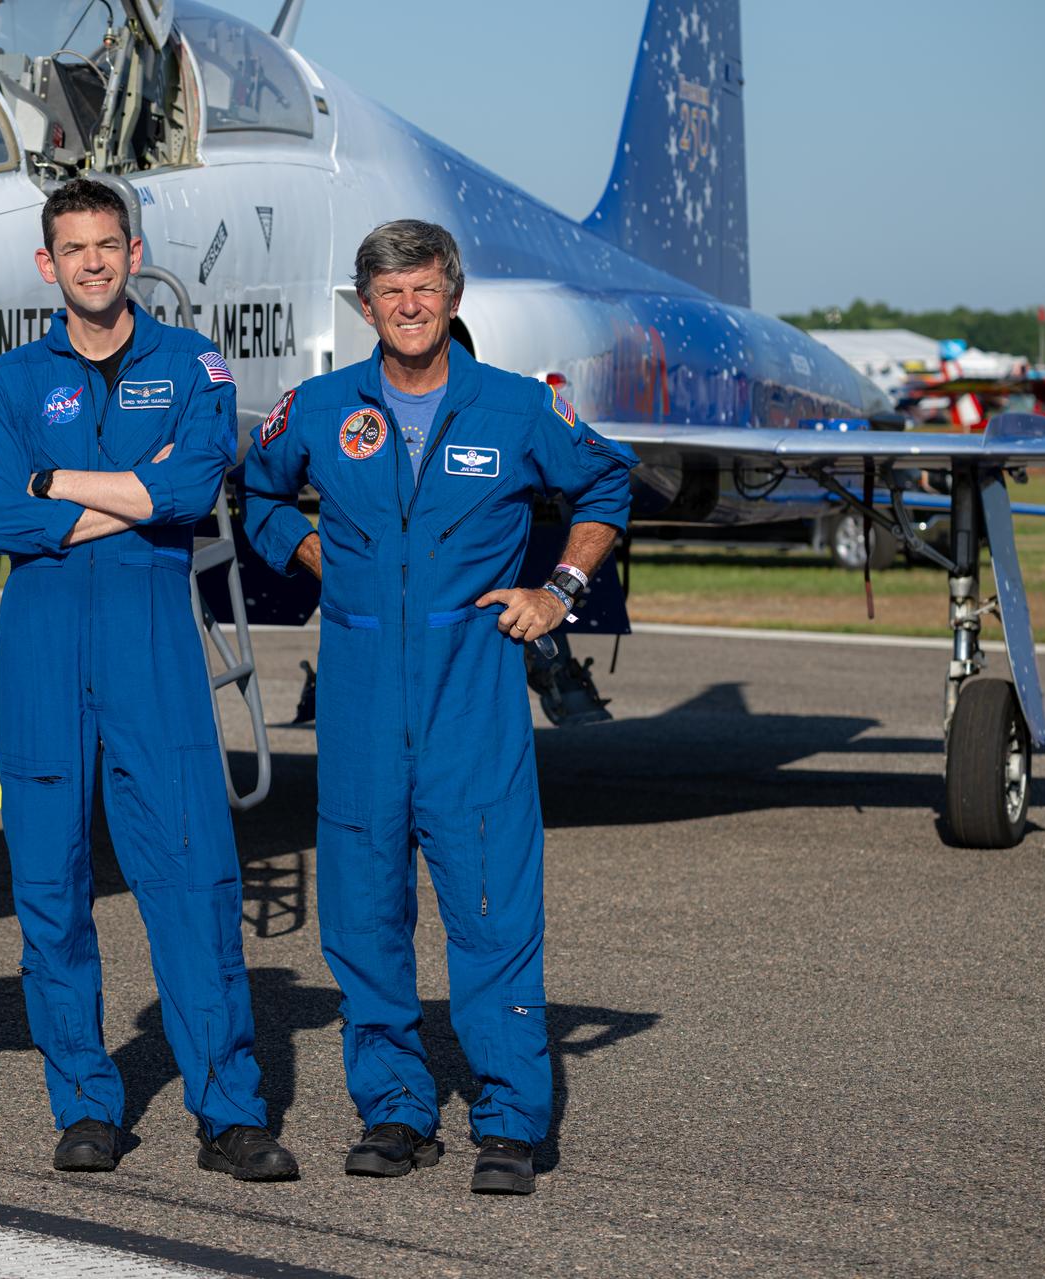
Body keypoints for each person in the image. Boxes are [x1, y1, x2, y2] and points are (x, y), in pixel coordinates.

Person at [240, 219, 636, 1194]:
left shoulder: (517, 407)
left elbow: (608, 483)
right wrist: (311, 553)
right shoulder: (324, 409)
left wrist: (559, 593)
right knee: (364, 918)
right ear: (364, 305)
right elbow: (258, 495)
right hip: (364, 703)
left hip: (474, 699)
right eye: (389, 292)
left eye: (425, 289)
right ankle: (396, 1110)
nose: (408, 307)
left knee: (492, 912)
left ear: (452, 298)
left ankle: (508, 1122)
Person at [0, 178, 298, 1182]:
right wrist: (135, 496)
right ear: (48, 265)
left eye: (109, 245)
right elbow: (0, 517)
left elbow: (195, 489)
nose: (94, 263)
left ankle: (230, 1109)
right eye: (74, 249)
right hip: (41, 657)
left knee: (194, 880)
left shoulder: (191, 362)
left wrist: (57, 481)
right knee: (50, 889)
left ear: (133, 248)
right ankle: (84, 1102)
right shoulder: (11, 383)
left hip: (152, 650)